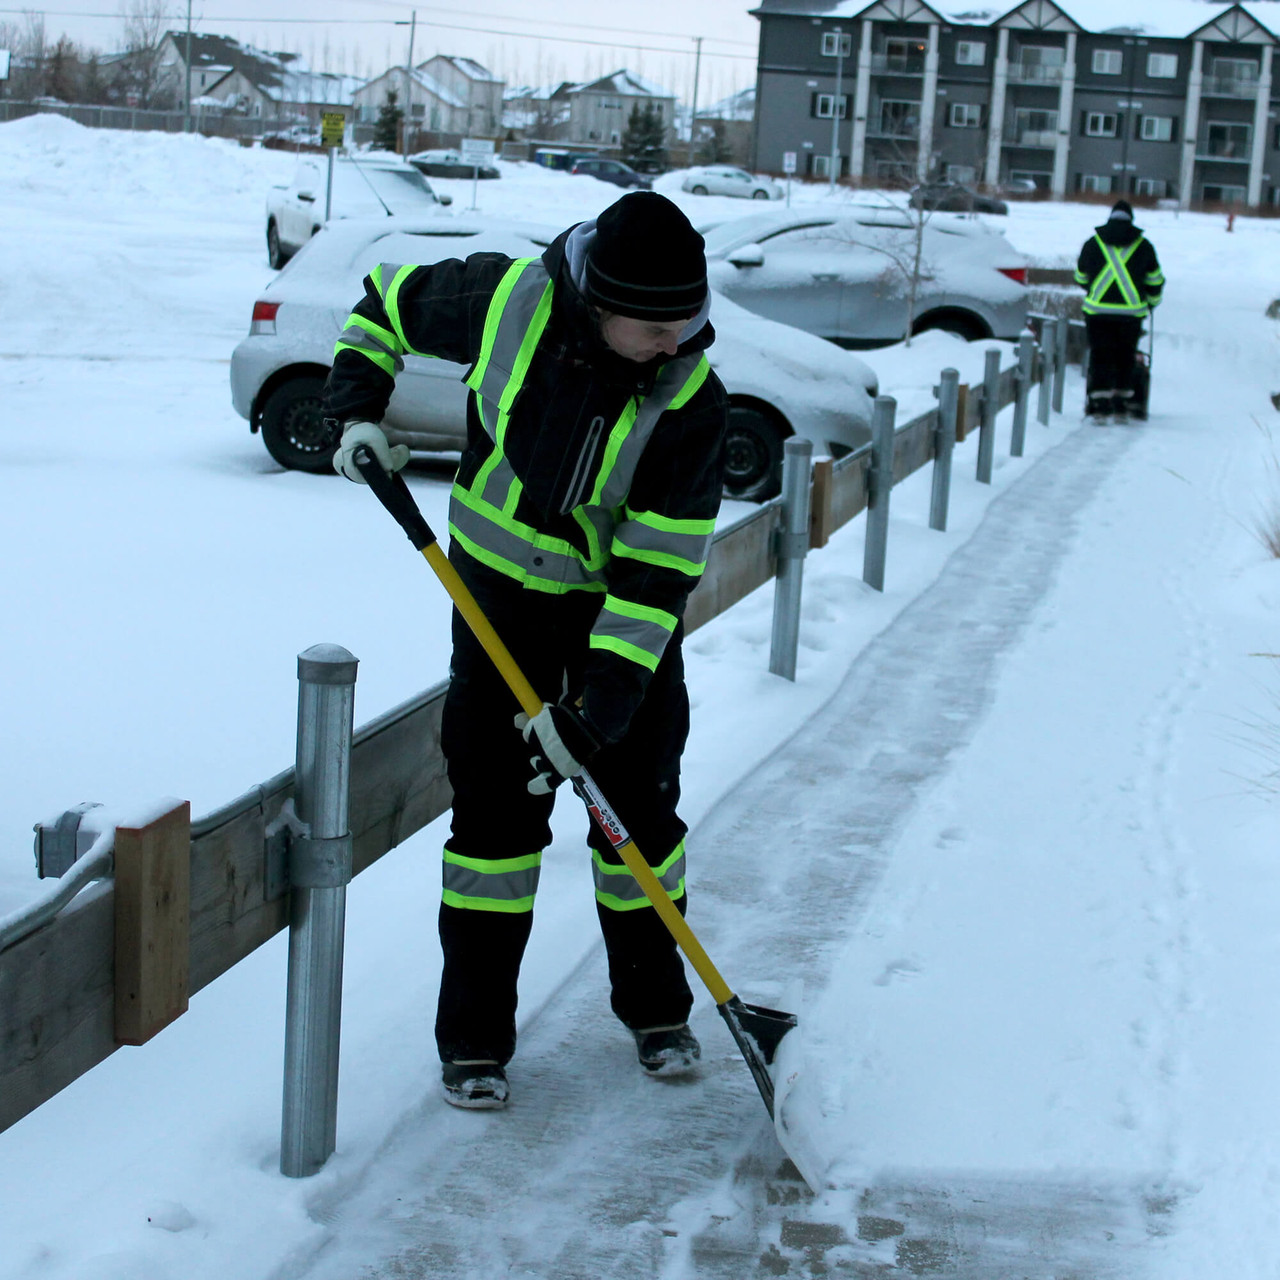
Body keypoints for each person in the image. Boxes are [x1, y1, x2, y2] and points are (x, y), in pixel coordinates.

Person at [321, 192, 729, 1110]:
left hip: (614, 626)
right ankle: (473, 1041)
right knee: (495, 831)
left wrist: (597, 714)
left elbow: (656, 579)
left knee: (639, 824)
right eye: (657, 327)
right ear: (597, 303)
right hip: (497, 604)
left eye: (691, 320)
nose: (680, 342)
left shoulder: (692, 403)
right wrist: (358, 405)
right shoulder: (504, 300)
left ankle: (658, 1013)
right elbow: (383, 302)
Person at [1074, 199, 1164, 422]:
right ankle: (1121, 405)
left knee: (1100, 355)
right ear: (1131, 219)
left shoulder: (1092, 243)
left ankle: (1100, 405)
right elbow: (1155, 280)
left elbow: (1080, 276)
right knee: (1125, 356)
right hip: (1131, 315)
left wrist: (1094, 290)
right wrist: (1151, 302)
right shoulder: (1144, 246)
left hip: (1097, 313)